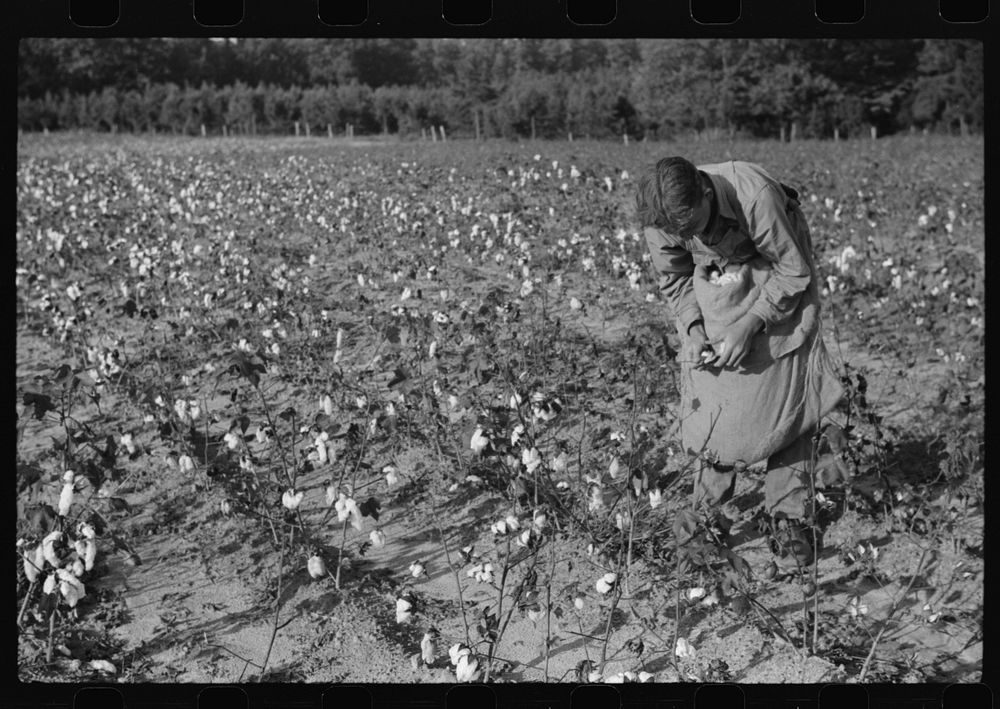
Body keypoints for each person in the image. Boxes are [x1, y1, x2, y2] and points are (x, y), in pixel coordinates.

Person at [635, 156, 844, 573]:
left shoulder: (756, 198)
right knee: (718, 405)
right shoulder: (662, 216)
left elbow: (793, 271)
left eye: (692, 228)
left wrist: (751, 325)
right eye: (677, 232)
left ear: (707, 194)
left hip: (776, 275)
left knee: (787, 403)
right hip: (717, 285)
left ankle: (789, 525)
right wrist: (694, 330)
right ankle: (704, 527)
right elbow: (674, 279)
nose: (685, 236)